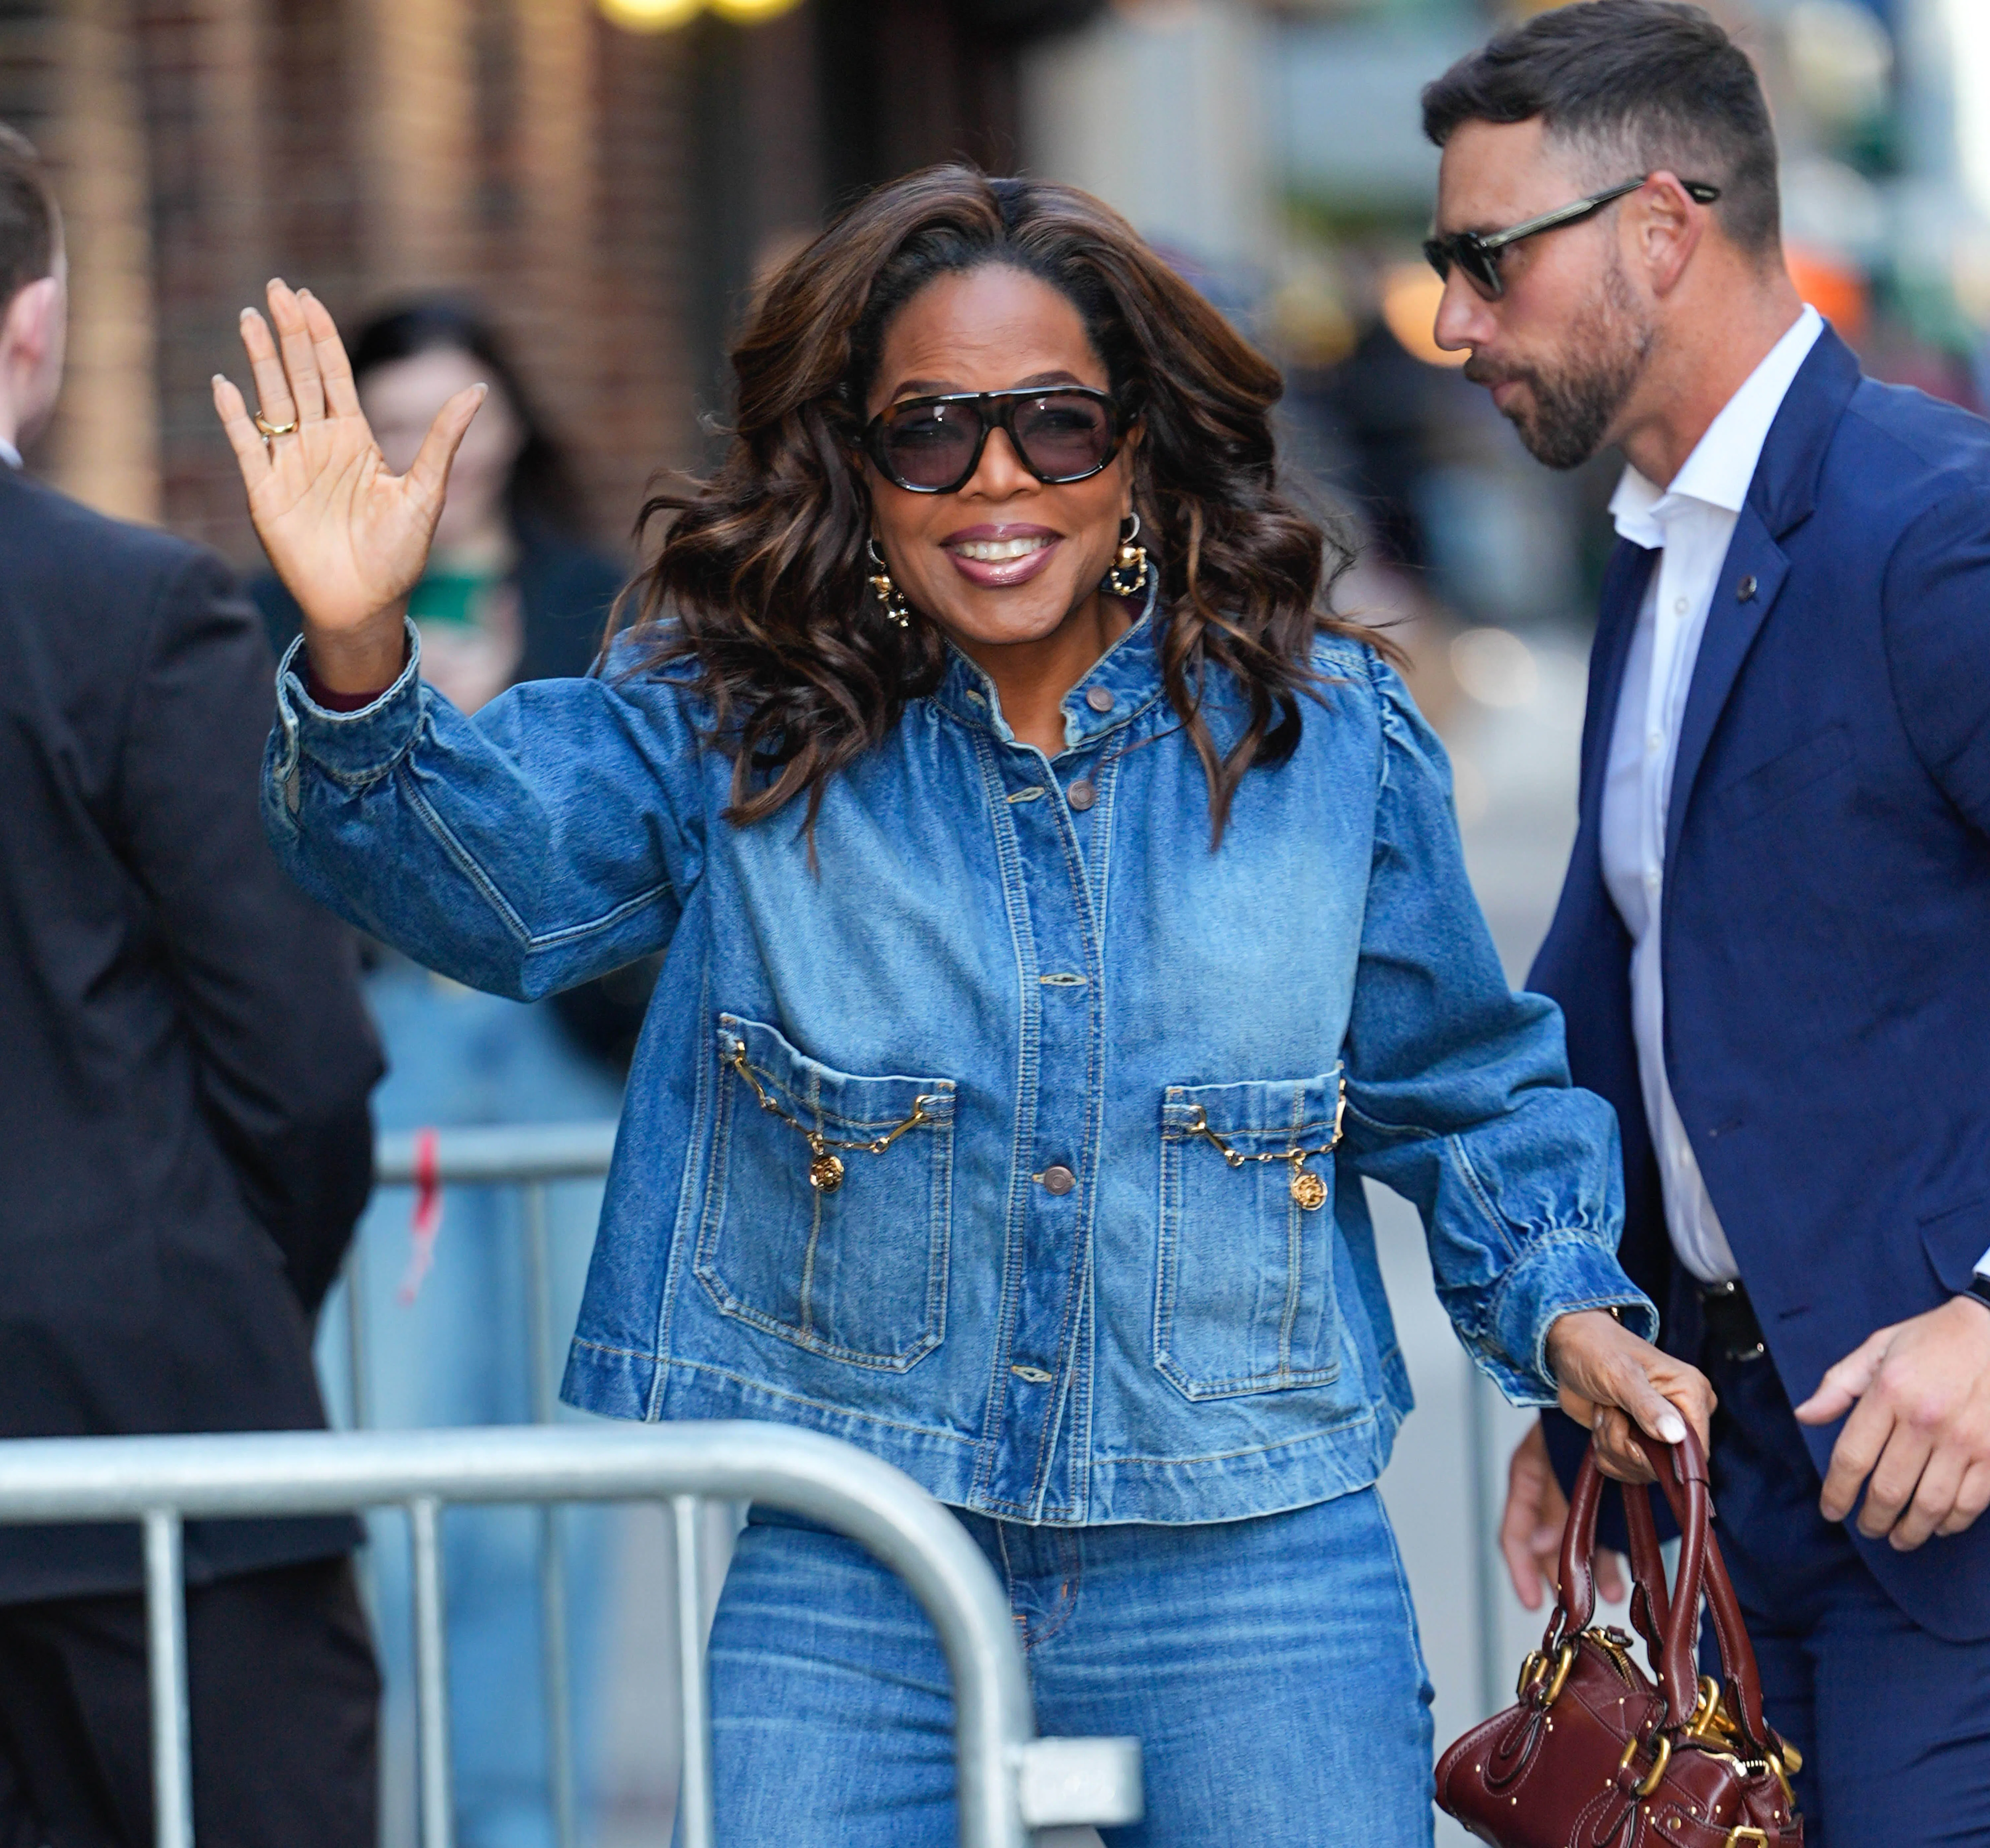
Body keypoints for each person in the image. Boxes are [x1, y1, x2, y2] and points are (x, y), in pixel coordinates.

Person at [212, 167, 1712, 1847]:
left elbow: (1460, 1087)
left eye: (1056, 426)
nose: (998, 481)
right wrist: (355, 651)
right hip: (857, 1556)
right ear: (859, 463)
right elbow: (488, 884)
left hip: (1252, 1565)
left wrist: (1571, 1308)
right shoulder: (737, 720)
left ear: (1136, 444)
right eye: (932, 431)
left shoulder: (1324, 737)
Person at [1421, 4, 1990, 1841]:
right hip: (1733, 1493)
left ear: (1661, 229)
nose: (1451, 324)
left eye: (1486, 263)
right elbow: (1652, 988)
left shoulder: (1931, 527)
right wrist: (1590, 1355)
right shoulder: (1658, 545)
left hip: (1948, 1518)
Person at [0, 126, 382, 1848]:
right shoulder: (138, 611)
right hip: (148, 1449)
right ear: (35, 327)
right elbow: (297, 1060)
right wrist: (208, 1296)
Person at [252, 300, 631, 1848]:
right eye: (397, 412)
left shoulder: (596, 601)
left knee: (557, 1493)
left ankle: (518, 1821)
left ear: (515, 421)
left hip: (564, 1066)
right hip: (390, 1063)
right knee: (402, 1472)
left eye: (460, 411)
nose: (436, 451)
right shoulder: (290, 607)